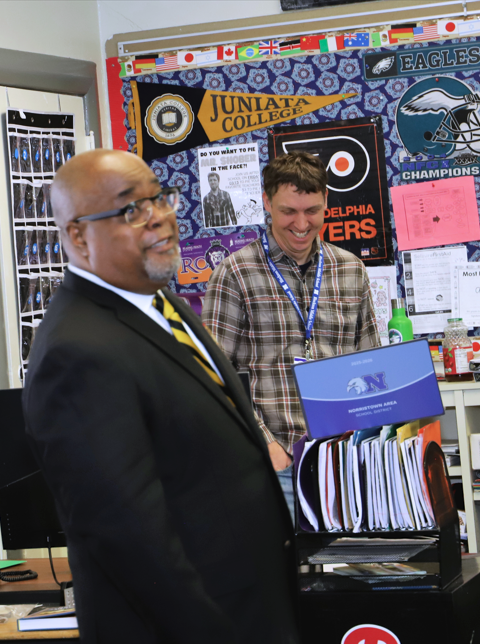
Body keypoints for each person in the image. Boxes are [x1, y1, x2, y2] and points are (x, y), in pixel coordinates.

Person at [22, 150, 298, 644]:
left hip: (254, 605)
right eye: (131, 209)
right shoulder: (77, 351)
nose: (160, 218)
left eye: (160, 198)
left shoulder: (159, 301)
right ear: (78, 236)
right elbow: (130, 537)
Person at [202, 151, 380, 519]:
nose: (301, 224)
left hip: (343, 461)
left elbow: (370, 366)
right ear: (267, 203)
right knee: (279, 575)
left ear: (327, 202)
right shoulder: (234, 274)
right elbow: (214, 379)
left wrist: (372, 446)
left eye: (312, 210)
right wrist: (267, 445)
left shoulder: (351, 270)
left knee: (347, 572)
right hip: (272, 463)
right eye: (288, 212)